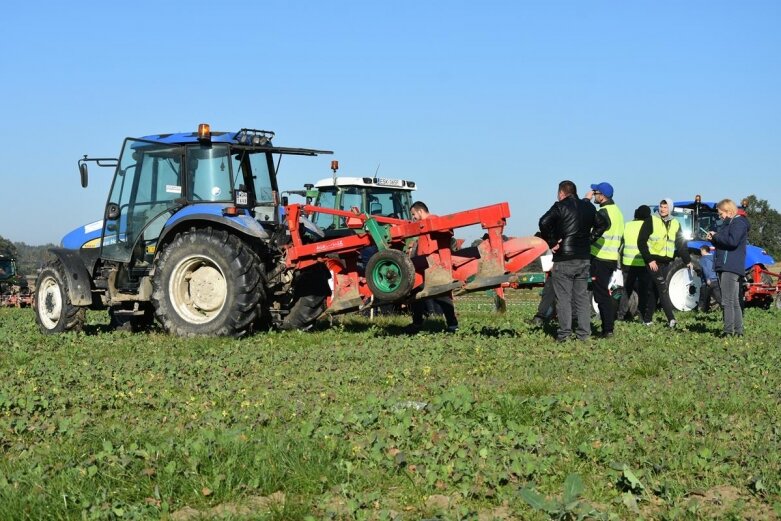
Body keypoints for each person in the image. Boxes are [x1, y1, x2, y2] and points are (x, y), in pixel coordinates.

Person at [538, 180, 597, 342]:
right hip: (583, 257)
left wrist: (552, 242)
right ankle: (584, 334)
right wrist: (590, 239)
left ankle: (564, 334)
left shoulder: (560, 206)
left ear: (561, 193)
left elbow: (543, 221)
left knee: (563, 298)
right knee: (582, 298)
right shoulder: (589, 207)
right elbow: (603, 223)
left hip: (564, 258)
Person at [405, 201, 459, 333]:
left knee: (441, 295)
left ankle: (452, 326)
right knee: (416, 294)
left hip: (433, 265)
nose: (413, 218)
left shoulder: (433, 221)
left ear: (420, 211)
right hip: (424, 266)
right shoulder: (425, 225)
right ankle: (417, 323)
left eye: (414, 214)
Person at [637, 198, 691, 328]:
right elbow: (641, 241)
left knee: (656, 290)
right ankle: (671, 319)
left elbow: (680, 244)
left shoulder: (675, 223)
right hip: (653, 261)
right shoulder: (651, 220)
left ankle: (647, 319)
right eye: (661, 207)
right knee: (663, 287)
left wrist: (687, 261)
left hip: (666, 262)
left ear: (670, 209)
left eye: (665, 207)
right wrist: (649, 259)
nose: (662, 209)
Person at [584, 182, 623, 338]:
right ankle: (608, 327)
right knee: (603, 293)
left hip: (601, 257)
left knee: (601, 295)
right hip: (611, 257)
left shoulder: (604, 212)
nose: (593, 194)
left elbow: (595, 233)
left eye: (595, 192)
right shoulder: (617, 212)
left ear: (602, 195)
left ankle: (608, 330)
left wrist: (585, 202)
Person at [707, 199, 749, 336]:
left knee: (727, 301)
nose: (720, 217)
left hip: (730, 266)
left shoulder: (738, 223)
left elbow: (732, 241)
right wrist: (714, 238)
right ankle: (738, 331)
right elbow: (725, 240)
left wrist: (716, 236)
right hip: (729, 265)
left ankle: (728, 331)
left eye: (721, 214)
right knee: (735, 300)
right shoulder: (730, 223)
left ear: (729, 211)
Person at [617, 205, 652, 321]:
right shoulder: (648, 226)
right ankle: (642, 315)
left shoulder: (627, 225)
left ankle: (621, 314)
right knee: (643, 290)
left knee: (626, 289)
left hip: (627, 263)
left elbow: (620, 244)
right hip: (643, 263)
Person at [697, 244, 721, 312]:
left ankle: (701, 312)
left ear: (704, 250)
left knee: (704, 298)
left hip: (708, 281)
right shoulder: (714, 258)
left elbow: (705, 269)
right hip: (716, 279)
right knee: (718, 297)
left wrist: (707, 278)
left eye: (701, 251)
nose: (700, 252)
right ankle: (725, 309)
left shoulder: (703, 259)